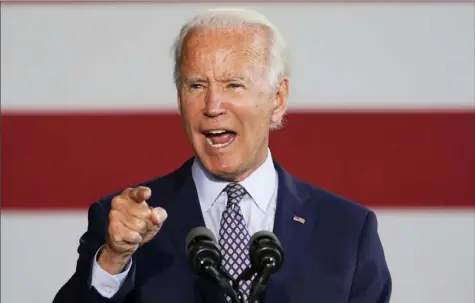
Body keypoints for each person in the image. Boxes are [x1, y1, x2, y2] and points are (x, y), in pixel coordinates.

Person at [53, 8, 391, 303]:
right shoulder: (123, 225)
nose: (212, 107)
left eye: (233, 85)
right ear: (179, 98)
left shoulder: (347, 232)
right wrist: (114, 259)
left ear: (278, 97)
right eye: (196, 86)